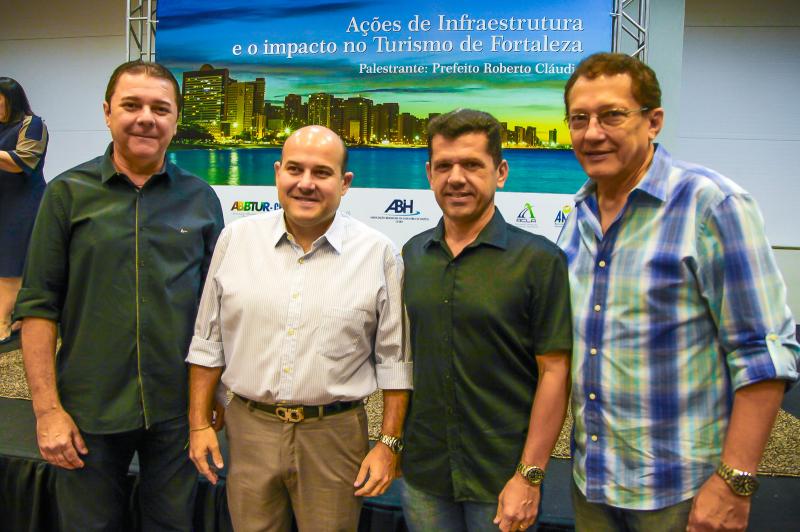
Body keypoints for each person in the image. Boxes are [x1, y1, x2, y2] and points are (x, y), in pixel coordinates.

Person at [557, 52, 800, 532]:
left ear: (654, 121)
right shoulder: (578, 215)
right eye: (579, 118)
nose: (592, 133)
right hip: (592, 484)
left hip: (682, 494)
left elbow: (764, 352)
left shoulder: (712, 204)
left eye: (611, 115)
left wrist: (734, 482)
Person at [15, 60, 224, 531]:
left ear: (176, 120)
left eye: (160, 108)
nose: (146, 118)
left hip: (176, 410)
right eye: (132, 105)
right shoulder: (67, 195)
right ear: (108, 112)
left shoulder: (201, 200)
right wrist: (47, 412)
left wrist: (214, 398)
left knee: (172, 525)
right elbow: (38, 308)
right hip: (88, 409)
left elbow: (214, 314)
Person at [186, 125, 412, 532]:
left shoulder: (379, 253)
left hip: (334, 436)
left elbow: (395, 362)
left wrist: (388, 443)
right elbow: (207, 341)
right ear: (278, 173)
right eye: (295, 169)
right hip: (250, 429)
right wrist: (199, 423)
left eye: (322, 173)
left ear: (344, 183)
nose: (306, 183)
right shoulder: (235, 240)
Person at [400, 109, 573, 532]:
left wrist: (530, 475)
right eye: (444, 166)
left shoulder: (539, 261)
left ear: (501, 172)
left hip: (502, 477)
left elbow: (555, 372)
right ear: (429, 174)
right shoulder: (412, 255)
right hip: (424, 475)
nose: (456, 178)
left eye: (473, 165)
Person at [0, 77, 47, 344]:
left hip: (22, 203)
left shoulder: (32, 124)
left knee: (11, 263)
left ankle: (3, 324)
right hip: (4, 201)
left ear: (11, 99)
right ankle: (17, 317)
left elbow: (23, 161)